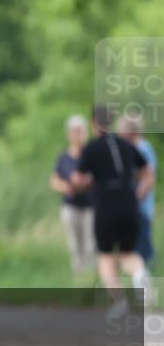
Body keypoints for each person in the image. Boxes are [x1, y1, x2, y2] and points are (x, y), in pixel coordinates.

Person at [71, 106, 153, 317]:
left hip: (106, 205)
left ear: (93, 123)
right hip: (128, 204)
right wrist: (139, 194)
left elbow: (77, 179)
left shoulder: (92, 148)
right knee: (129, 253)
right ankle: (141, 275)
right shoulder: (126, 145)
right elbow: (147, 174)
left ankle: (120, 300)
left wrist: (85, 184)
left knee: (106, 257)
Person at [50, 115, 96, 274]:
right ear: (69, 134)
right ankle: (78, 272)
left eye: (80, 131)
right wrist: (68, 187)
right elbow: (55, 181)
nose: (77, 135)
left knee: (90, 242)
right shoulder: (64, 157)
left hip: (90, 204)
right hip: (71, 204)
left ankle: (90, 273)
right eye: (74, 132)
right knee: (74, 243)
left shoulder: (91, 153)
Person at [119, 115, 157, 272]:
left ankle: (145, 282)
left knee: (142, 248)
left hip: (140, 207)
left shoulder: (143, 149)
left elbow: (149, 179)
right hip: (131, 206)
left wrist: (134, 199)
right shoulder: (129, 148)